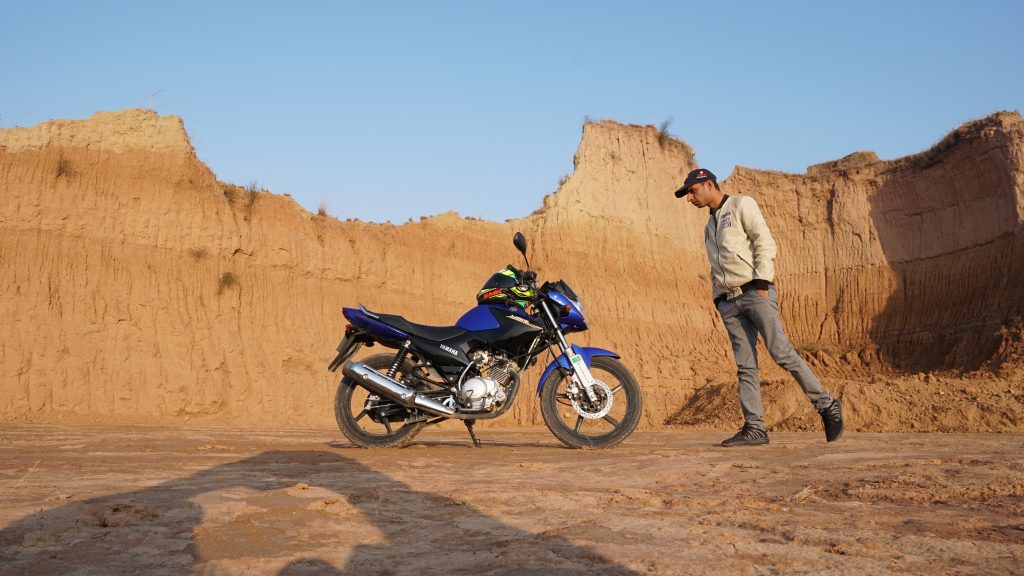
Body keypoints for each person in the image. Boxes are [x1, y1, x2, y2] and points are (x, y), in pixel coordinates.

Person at [675, 168, 844, 447]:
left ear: (708, 185)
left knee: (782, 353)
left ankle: (827, 406)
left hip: (755, 292)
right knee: (745, 367)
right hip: (729, 303)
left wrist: (763, 283)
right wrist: (718, 299)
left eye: (692, 191)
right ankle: (755, 428)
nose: (689, 198)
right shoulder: (709, 228)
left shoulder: (742, 204)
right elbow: (716, 267)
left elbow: (763, 242)